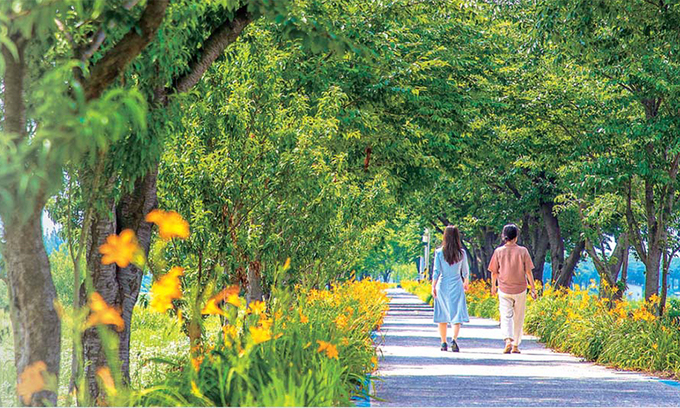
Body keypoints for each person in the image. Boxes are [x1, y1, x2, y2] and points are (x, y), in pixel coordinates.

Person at [488, 224, 537, 354]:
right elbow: (528, 271)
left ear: (504, 237)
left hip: (503, 289)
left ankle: (508, 340)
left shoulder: (498, 251)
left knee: (506, 316)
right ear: (516, 237)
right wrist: (533, 288)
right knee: (519, 317)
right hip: (520, 288)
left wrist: (493, 286)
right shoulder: (523, 251)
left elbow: (494, 272)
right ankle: (515, 345)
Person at [432, 225, 470, 352]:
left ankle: (443, 342)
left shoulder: (439, 252)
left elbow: (436, 271)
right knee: (457, 313)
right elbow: (465, 271)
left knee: (442, 314)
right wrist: (466, 282)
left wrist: (433, 286)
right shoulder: (462, 253)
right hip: (457, 284)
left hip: (442, 284)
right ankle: (454, 339)